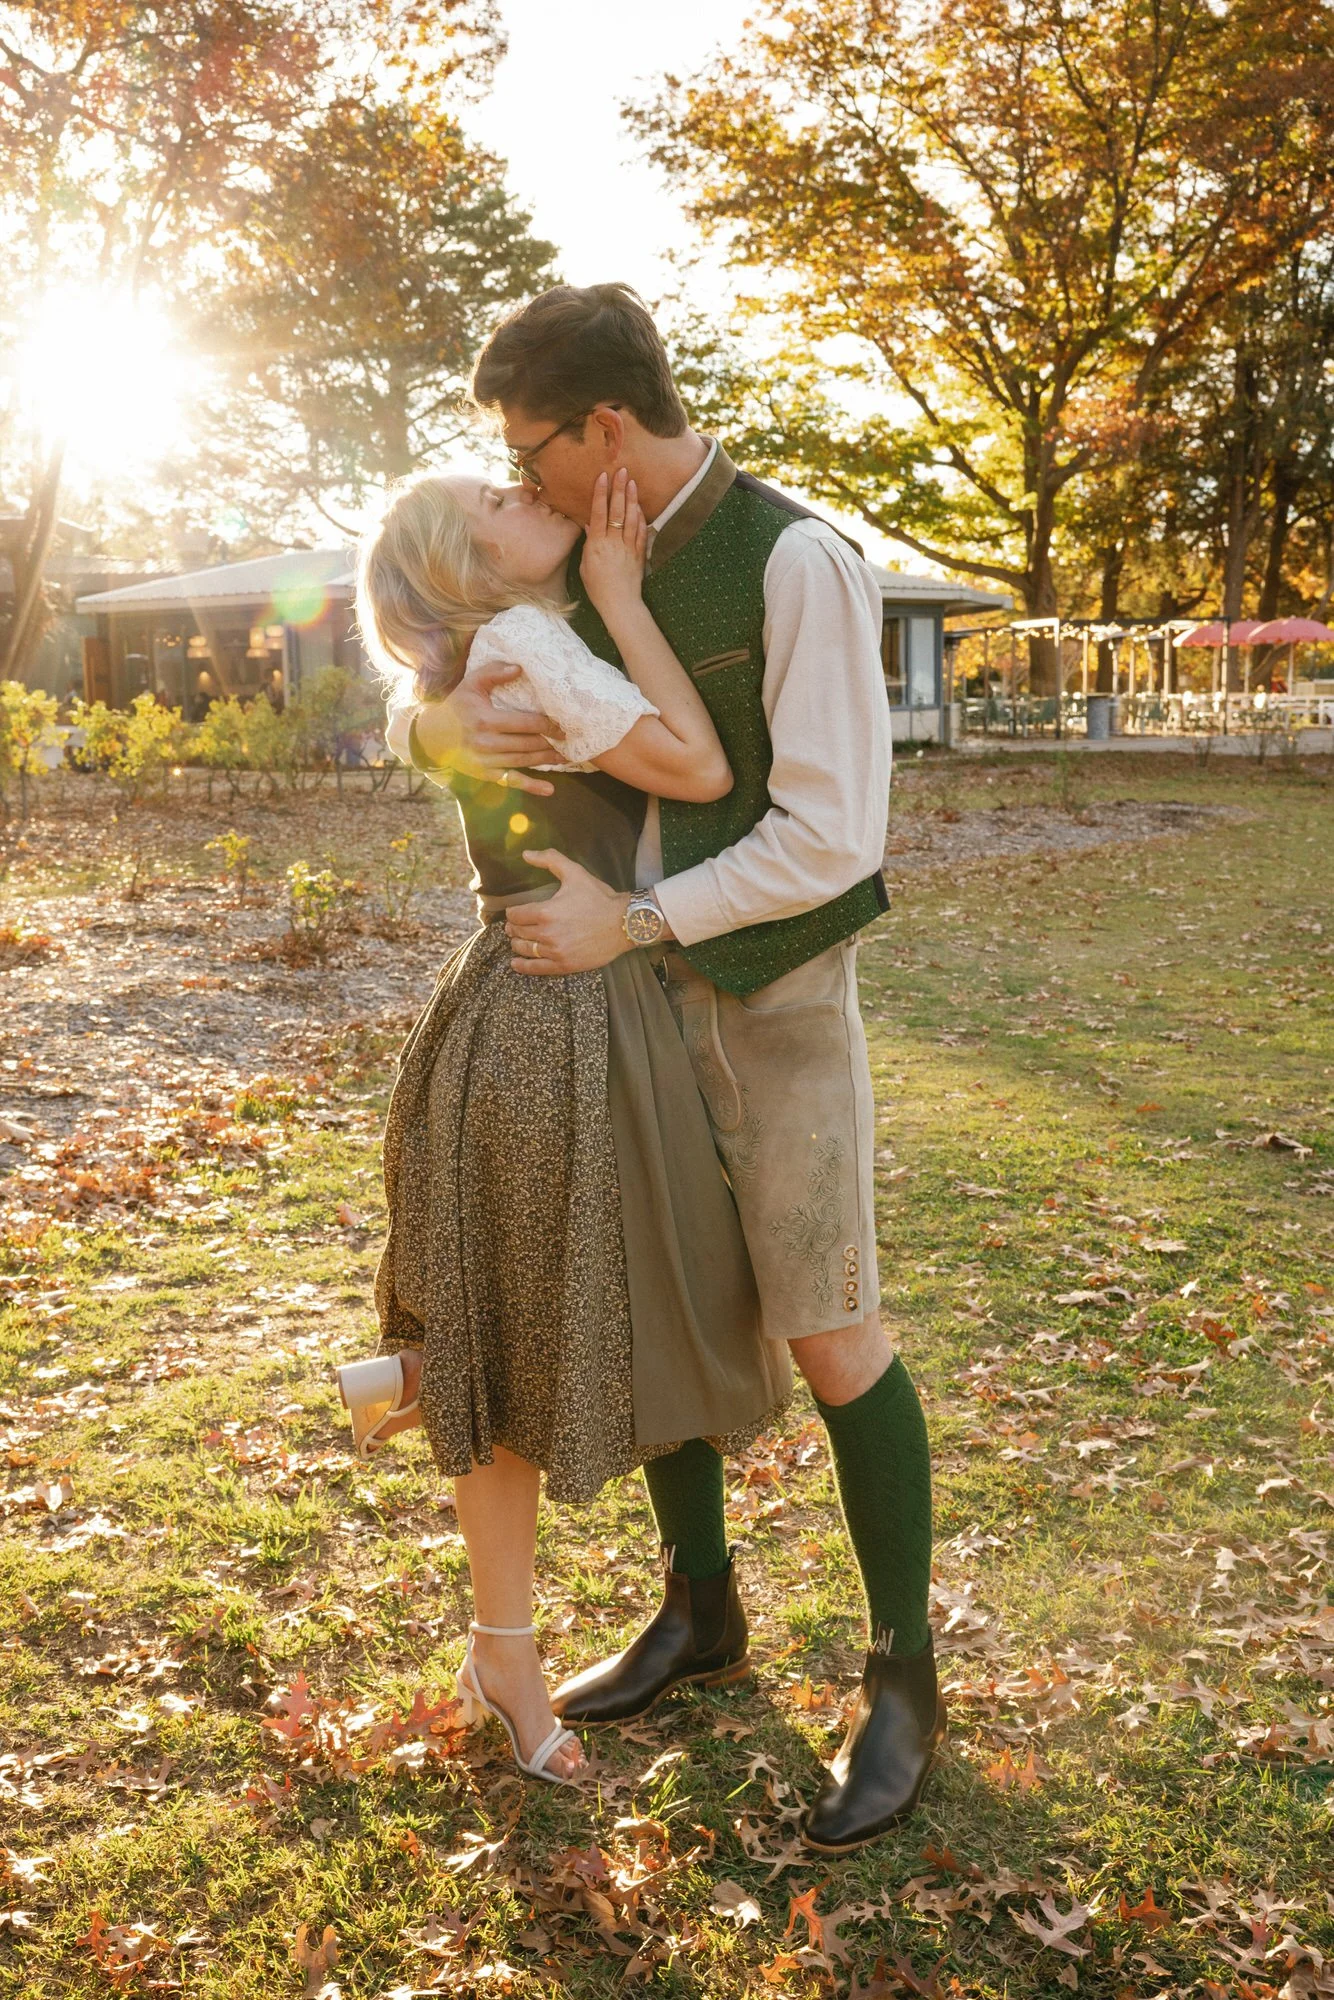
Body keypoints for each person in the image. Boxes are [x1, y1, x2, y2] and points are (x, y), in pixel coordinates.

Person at [392, 283, 941, 1854]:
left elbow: (831, 831)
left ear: (601, 429)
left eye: (525, 449)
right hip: (612, 1011)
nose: (521, 478)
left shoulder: (795, 560)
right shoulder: (573, 568)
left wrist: (640, 918)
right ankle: (700, 1608)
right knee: (653, 1302)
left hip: (761, 994)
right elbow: (467, 677)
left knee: (828, 1318)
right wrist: (435, 738)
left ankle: (901, 1676)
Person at [344, 461, 790, 1787]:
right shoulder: (532, 635)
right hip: (551, 1013)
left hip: (524, 997)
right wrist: (609, 587)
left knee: (521, 1323)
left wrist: (591, 603)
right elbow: (699, 764)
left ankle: (419, 1402)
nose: (521, 487)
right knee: (522, 1341)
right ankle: (507, 1655)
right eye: (491, 495)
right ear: (463, 563)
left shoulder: (507, 647)